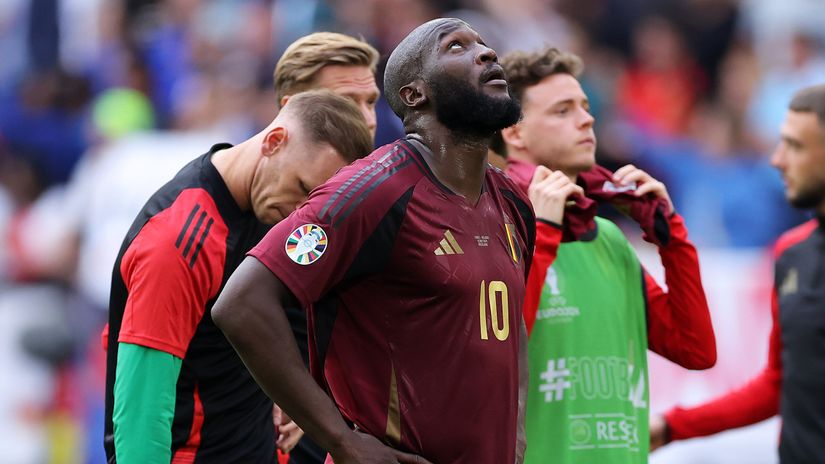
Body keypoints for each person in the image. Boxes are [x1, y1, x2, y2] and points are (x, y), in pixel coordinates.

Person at [212, 17, 532, 464]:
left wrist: (515, 438)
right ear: (414, 94)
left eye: (484, 44)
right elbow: (242, 303)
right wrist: (343, 441)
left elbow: (508, 327)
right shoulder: (372, 190)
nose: (487, 53)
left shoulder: (514, 202)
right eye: (456, 47)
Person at [102, 90, 372, 463]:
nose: (302, 214)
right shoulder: (179, 240)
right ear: (274, 142)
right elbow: (139, 419)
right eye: (301, 189)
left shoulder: (266, 208)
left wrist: (288, 397)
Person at [491, 46, 717, 463]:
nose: (587, 119)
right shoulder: (494, 227)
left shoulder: (608, 236)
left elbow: (696, 349)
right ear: (514, 133)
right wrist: (543, 231)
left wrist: (672, 237)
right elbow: (496, 356)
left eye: (586, 106)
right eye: (563, 110)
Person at [650, 84, 825, 463]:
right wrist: (672, 427)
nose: (777, 160)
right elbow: (779, 384)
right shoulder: (792, 255)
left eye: (795, 146)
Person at [272, 31, 385, 464]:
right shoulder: (252, 213)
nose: (367, 120)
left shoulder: (381, 209)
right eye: (345, 103)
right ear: (291, 111)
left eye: (371, 101)